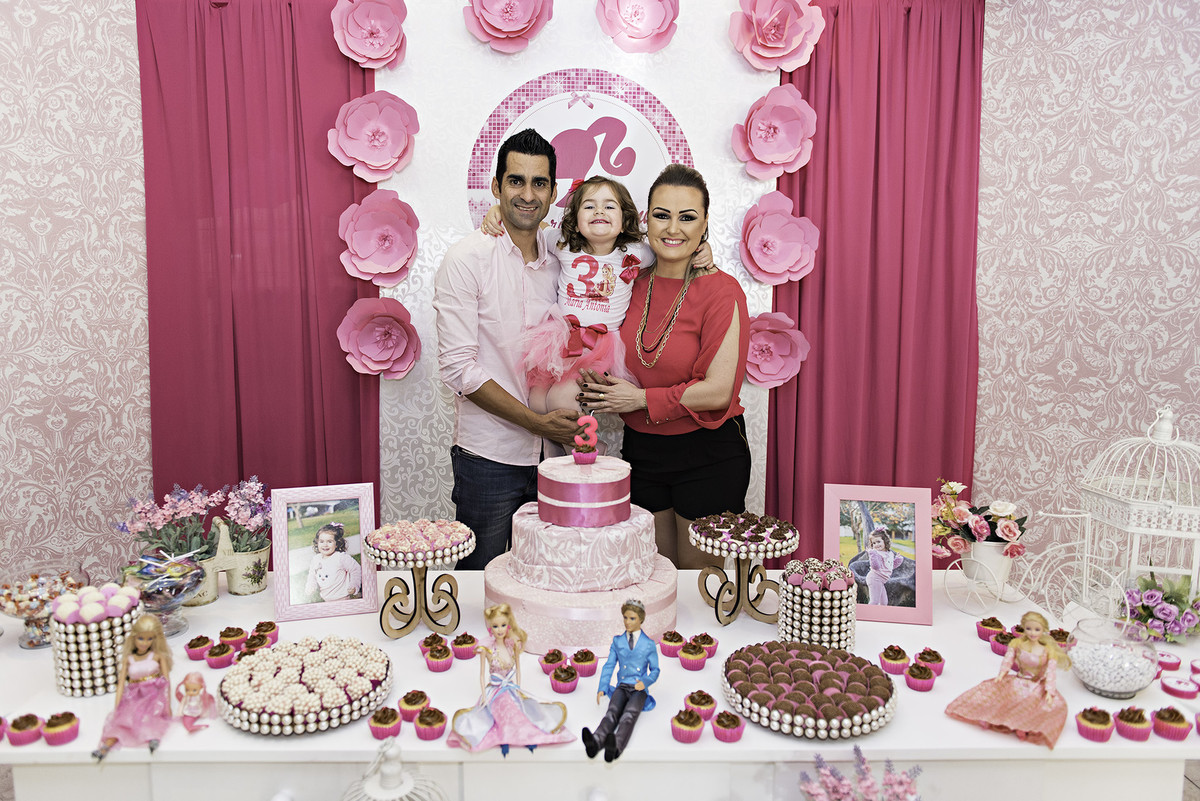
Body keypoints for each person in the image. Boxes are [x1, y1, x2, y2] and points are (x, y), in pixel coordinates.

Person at [577, 164, 751, 568]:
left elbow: (718, 391)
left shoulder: (721, 290)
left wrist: (639, 398)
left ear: (704, 224)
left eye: (687, 217)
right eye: (662, 215)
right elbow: (568, 262)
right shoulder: (627, 281)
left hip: (707, 453)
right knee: (654, 577)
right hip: (642, 451)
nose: (673, 228)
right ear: (646, 220)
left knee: (698, 587)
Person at [434, 128, 581, 569]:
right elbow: (459, 369)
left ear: (553, 192)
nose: (528, 195)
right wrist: (537, 423)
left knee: (549, 579)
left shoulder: (565, 259)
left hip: (556, 458)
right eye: (516, 181)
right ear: (496, 187)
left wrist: (700, 251)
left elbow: (626, 251)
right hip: (489, 458)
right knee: (479, 582)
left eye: (539, 183)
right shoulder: (467, 259)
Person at [481, 176, 713, 437]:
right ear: (576, 221)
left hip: (600, 345)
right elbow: (532, 224)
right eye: (589, 206)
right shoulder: (563, 244)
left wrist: (702, 249)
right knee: (536, 403)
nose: (599, 211)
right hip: (560, 338)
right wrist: (499, 211)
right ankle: (571, 452)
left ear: (624, 221)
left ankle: (586, 448)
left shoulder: (636, 253)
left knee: (561, 400)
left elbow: (675, 250)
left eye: (609, 206)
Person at [447, 604, 574, 754]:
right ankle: (506, 739)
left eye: (503, 625)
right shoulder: (486, 649)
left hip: (512, 689)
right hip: (495, 691)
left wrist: (518, 688)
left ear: (508, 626)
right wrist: (484, 695)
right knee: (503, 711)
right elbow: (481, 675)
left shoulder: (512, 645)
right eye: (495, 626)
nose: (499, 629)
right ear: (490, 628)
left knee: (522, 711)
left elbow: (518, 669)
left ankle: (528, 737)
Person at [944, 610, 1071, 748]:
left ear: (1043, 630)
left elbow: (1051, 673)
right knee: (1002, 697)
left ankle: (1023, 726)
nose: (1032, 633)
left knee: (1035, 703)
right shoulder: (1017, 644)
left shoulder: (1048, 650)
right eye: (1029, 628)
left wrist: (1049, 691)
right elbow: (1008, 661)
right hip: (1018, 680)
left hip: (1036, 684)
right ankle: (990, 718)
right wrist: (1001, 675)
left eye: (1037, 629)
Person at [582, 599, 659, 762]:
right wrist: (602, 687)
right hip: (622, 686)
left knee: (629, 715)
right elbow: (609, 665)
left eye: (632, 618)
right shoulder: (618, 641)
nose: (627, 622)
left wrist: (645, 682)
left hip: (638, 689)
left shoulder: (649, 644)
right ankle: (595, 742)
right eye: (625, 617)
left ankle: (615, 747)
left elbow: (655, 670)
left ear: (641, 619)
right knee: (612, 711)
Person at [92, 614, 173, 760]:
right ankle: (105, 747)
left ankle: (153, 739)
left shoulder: (157, 656)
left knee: (151, 718)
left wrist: (167, 704)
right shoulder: (128, 659)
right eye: (141, 638)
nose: (145, 643)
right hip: (134, 696)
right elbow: (121, 685)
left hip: (154, 695)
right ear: (134, 637)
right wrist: (117, 706)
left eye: (149, 639)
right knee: (124, 721)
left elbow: (167, 681)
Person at [304, 522, 362, 602]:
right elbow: (312, 575)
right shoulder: (316, 559)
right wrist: (311, 585)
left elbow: (356, 569)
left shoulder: (340, 557)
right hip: (326, 599)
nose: (325, 545)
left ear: (337, 543)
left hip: (342, 599)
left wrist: (354, 585)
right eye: (321, 541)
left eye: (329, 541)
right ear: (317, 543)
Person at [865, 528, 900, 605]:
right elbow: (875, 567)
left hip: (881, 580)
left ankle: (880, 612)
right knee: (874, 601)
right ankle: (869, 612)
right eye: (874, 543)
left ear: (885, 541)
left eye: (878, 541)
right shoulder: (876, 554)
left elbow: (890, 566)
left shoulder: (889, 553)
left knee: (884, 602)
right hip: (875, 578)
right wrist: (872, 554)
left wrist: (898, 560)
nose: (876, 545)